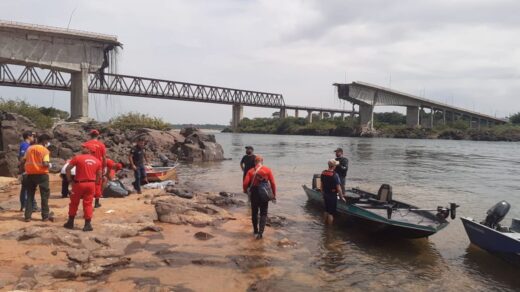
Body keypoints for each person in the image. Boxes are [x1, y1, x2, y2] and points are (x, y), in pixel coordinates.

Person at [64, 143, 102, 232]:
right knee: (88, 204)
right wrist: (95, 183)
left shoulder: (78, 157)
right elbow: (99, 175)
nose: (82, 148)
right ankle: (87, 224)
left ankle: (70, 222)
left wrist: (70, 180)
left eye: (84, 147)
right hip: (91, 184)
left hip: (79, 184)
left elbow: (68, 169)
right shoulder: (97, 161)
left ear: (89, 150)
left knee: (74, 203)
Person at [243, 155, 277, 240]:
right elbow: (273, 183)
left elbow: (245, 183)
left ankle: (255, 231)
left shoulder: (251, 171)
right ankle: (260, 233)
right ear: (262, 161)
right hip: (264, 193)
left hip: (254, 193)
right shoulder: (267, 170)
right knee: (263, 213)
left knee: (254, 212)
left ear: (255, 162)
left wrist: (245, 191)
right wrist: (273, 195)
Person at [22, 134, 52, 222]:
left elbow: (23, 160)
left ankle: (27, 216)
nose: (47, 143)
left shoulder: (29, 148)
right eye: (47, 141)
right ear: (45, 141)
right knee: (44, 196)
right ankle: (45, 216)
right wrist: (51, 165)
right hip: (42, 175)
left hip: (30, 174)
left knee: (30, 195)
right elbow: (45, 163)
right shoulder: (44, 150)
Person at [84, 129, 107, 208]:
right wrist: (104, 167)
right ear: (98, 135)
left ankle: (88, 202)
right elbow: (104, 158)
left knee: (88, 182)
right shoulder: (101, 145)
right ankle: (96, 202)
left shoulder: (86, 144)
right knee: (98, 183)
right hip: (98, 166)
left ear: (90, 135)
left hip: (87, 165)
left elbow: (83, 155)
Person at [321, 159, 346, 225]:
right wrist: (341, 197)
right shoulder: (335, 175)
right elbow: (339, 188)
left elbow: (321, 186)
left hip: (325, 194)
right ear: (334, 166)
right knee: (331, 213)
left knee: (326, 210)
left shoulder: (323, 173)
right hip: (332, 195)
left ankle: (324, 225)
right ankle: (329, 230)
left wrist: (322, 194)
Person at [18, 131, 38, 212]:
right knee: (27, 188)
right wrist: (23, 169)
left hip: (27, 169)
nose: (33, 138)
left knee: (25, 187)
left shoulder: (28, 145)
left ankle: (25, 205)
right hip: (26, 169)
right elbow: (22, 158)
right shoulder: (25, 145)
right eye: (32, 136)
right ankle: (27, 206)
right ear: (28, 137)